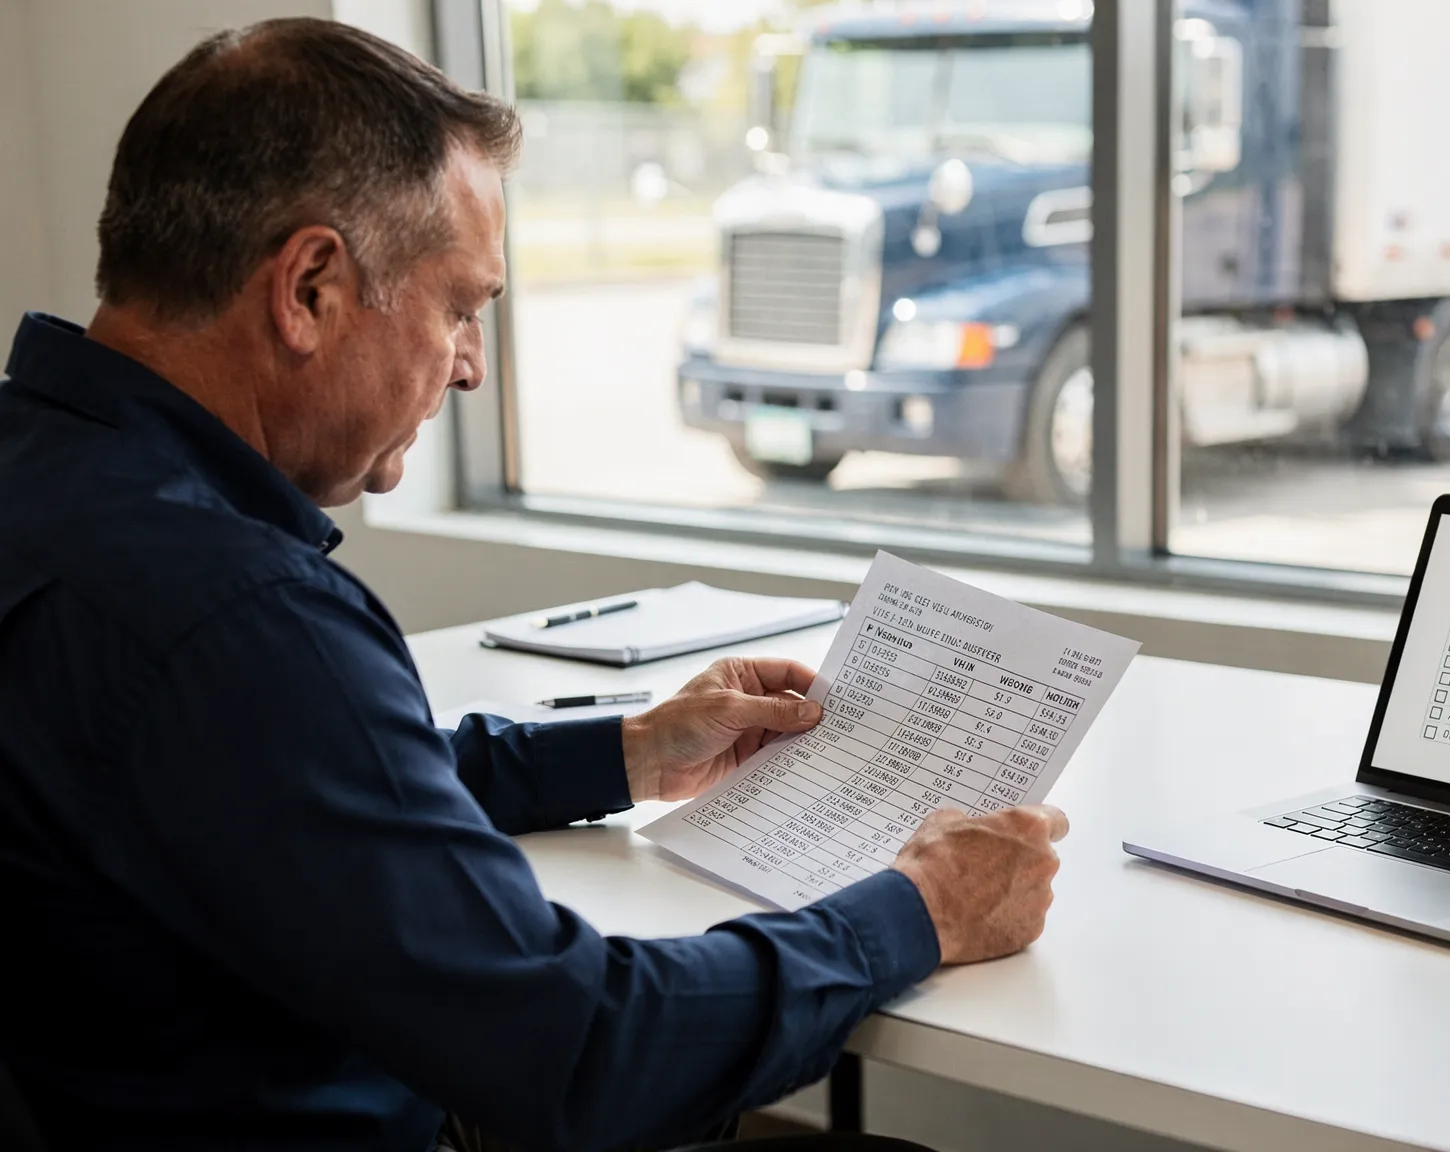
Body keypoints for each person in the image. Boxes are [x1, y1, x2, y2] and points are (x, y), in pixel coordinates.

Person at [0, 17, 1067, 1152]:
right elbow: (588, 1055)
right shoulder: (237, 615)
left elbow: (276, 778)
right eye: (459, 306)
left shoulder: (53, 485)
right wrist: (917, 909)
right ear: (307, 286)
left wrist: (625, 752)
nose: (467, 366)